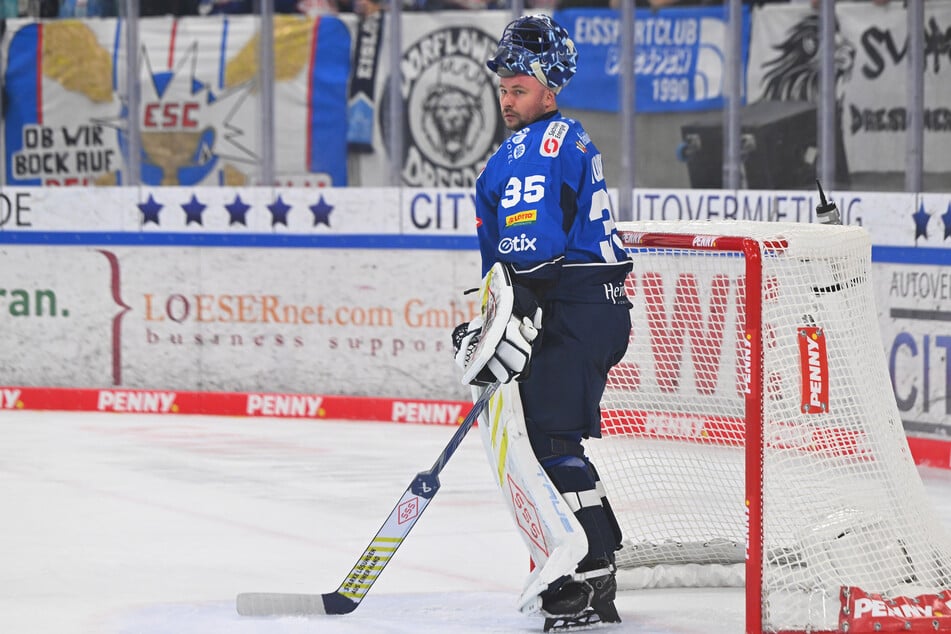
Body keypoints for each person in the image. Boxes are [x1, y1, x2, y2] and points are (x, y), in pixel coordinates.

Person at [453, 13, 633, 631]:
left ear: (548, 90)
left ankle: (575, 583)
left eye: (518, 89)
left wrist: (515, 318)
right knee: (558, 442)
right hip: (592, 308)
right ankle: (597, 570)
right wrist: (490, 318)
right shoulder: (556, 141)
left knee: (546, 443)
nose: (506, 99)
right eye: (502, 88)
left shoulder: (539, 145)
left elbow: (531, 252)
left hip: (567, 307)